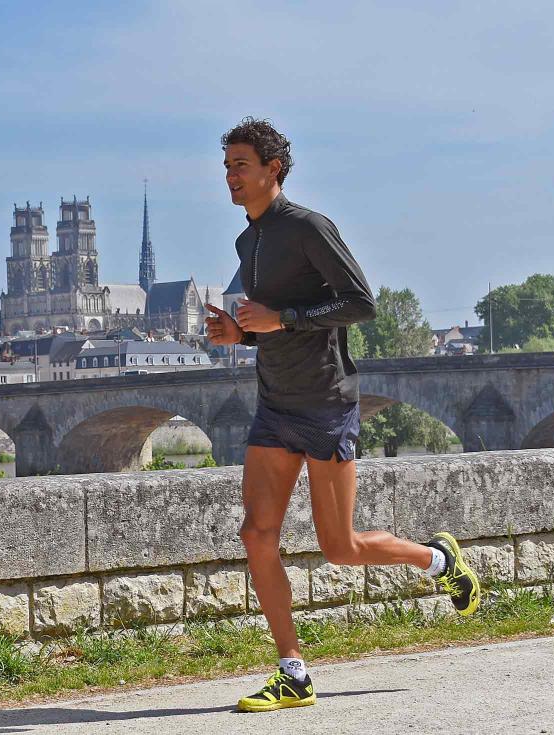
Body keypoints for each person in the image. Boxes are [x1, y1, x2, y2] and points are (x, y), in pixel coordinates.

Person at [204, 117, 481, 713]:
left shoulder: (308, 227)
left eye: (240, 165)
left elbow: (360, 304)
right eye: (226, 165)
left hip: (326, 404)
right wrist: (241, 334)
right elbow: (276, 323)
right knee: (257, 535)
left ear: (273, 169)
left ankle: (439, 560)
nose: (230, 175)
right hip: (274, 403)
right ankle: (293, 671)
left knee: (339, 547)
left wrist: (282, 319)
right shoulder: (246, 242)